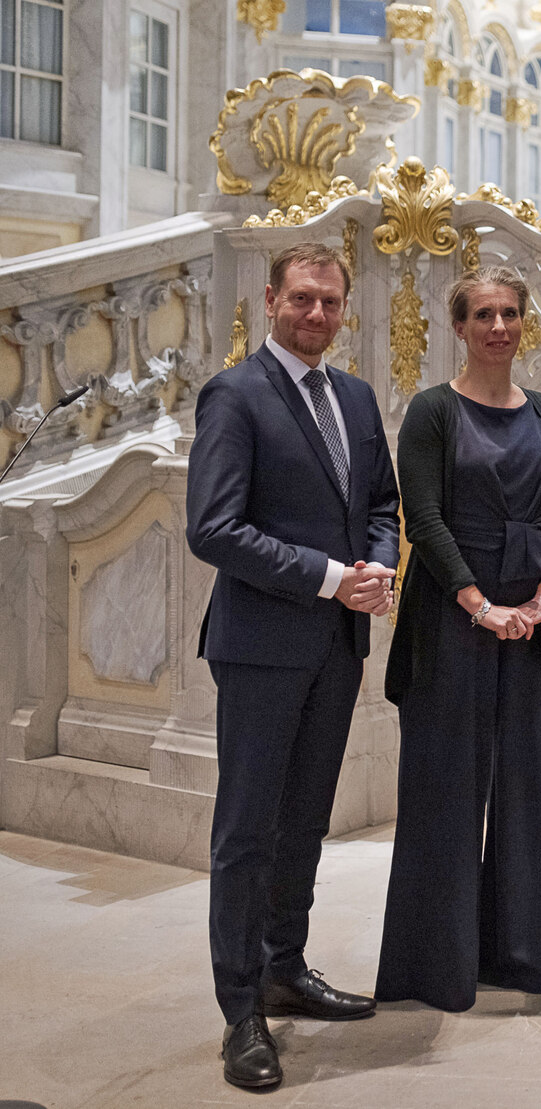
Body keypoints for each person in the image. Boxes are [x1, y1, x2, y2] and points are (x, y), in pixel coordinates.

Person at [186, 242, 400, 1089]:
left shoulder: (352, 396)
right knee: (246, 834)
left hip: (335, 650)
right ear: (270, 298)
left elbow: (378, 502)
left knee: (306, 818)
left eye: (330, 303)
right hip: (261, 647)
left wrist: (378, 565)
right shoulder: (234, 394)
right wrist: (328, 579)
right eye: (302, 299)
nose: (316, 315)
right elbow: (214, 527)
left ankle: (285, 965)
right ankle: (241, 1010)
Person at [375, 267, 541, 1011]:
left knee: (526, 791)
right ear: (459, 326)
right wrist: (479, 603)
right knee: (446, 792)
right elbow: (422, 519)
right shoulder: (432, 410)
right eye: (483, 314)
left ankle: (518, 954)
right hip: (451, 622)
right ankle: (435, 963)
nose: (499, 326)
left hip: (532, 620)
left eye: (510, 313)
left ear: (527, 323)